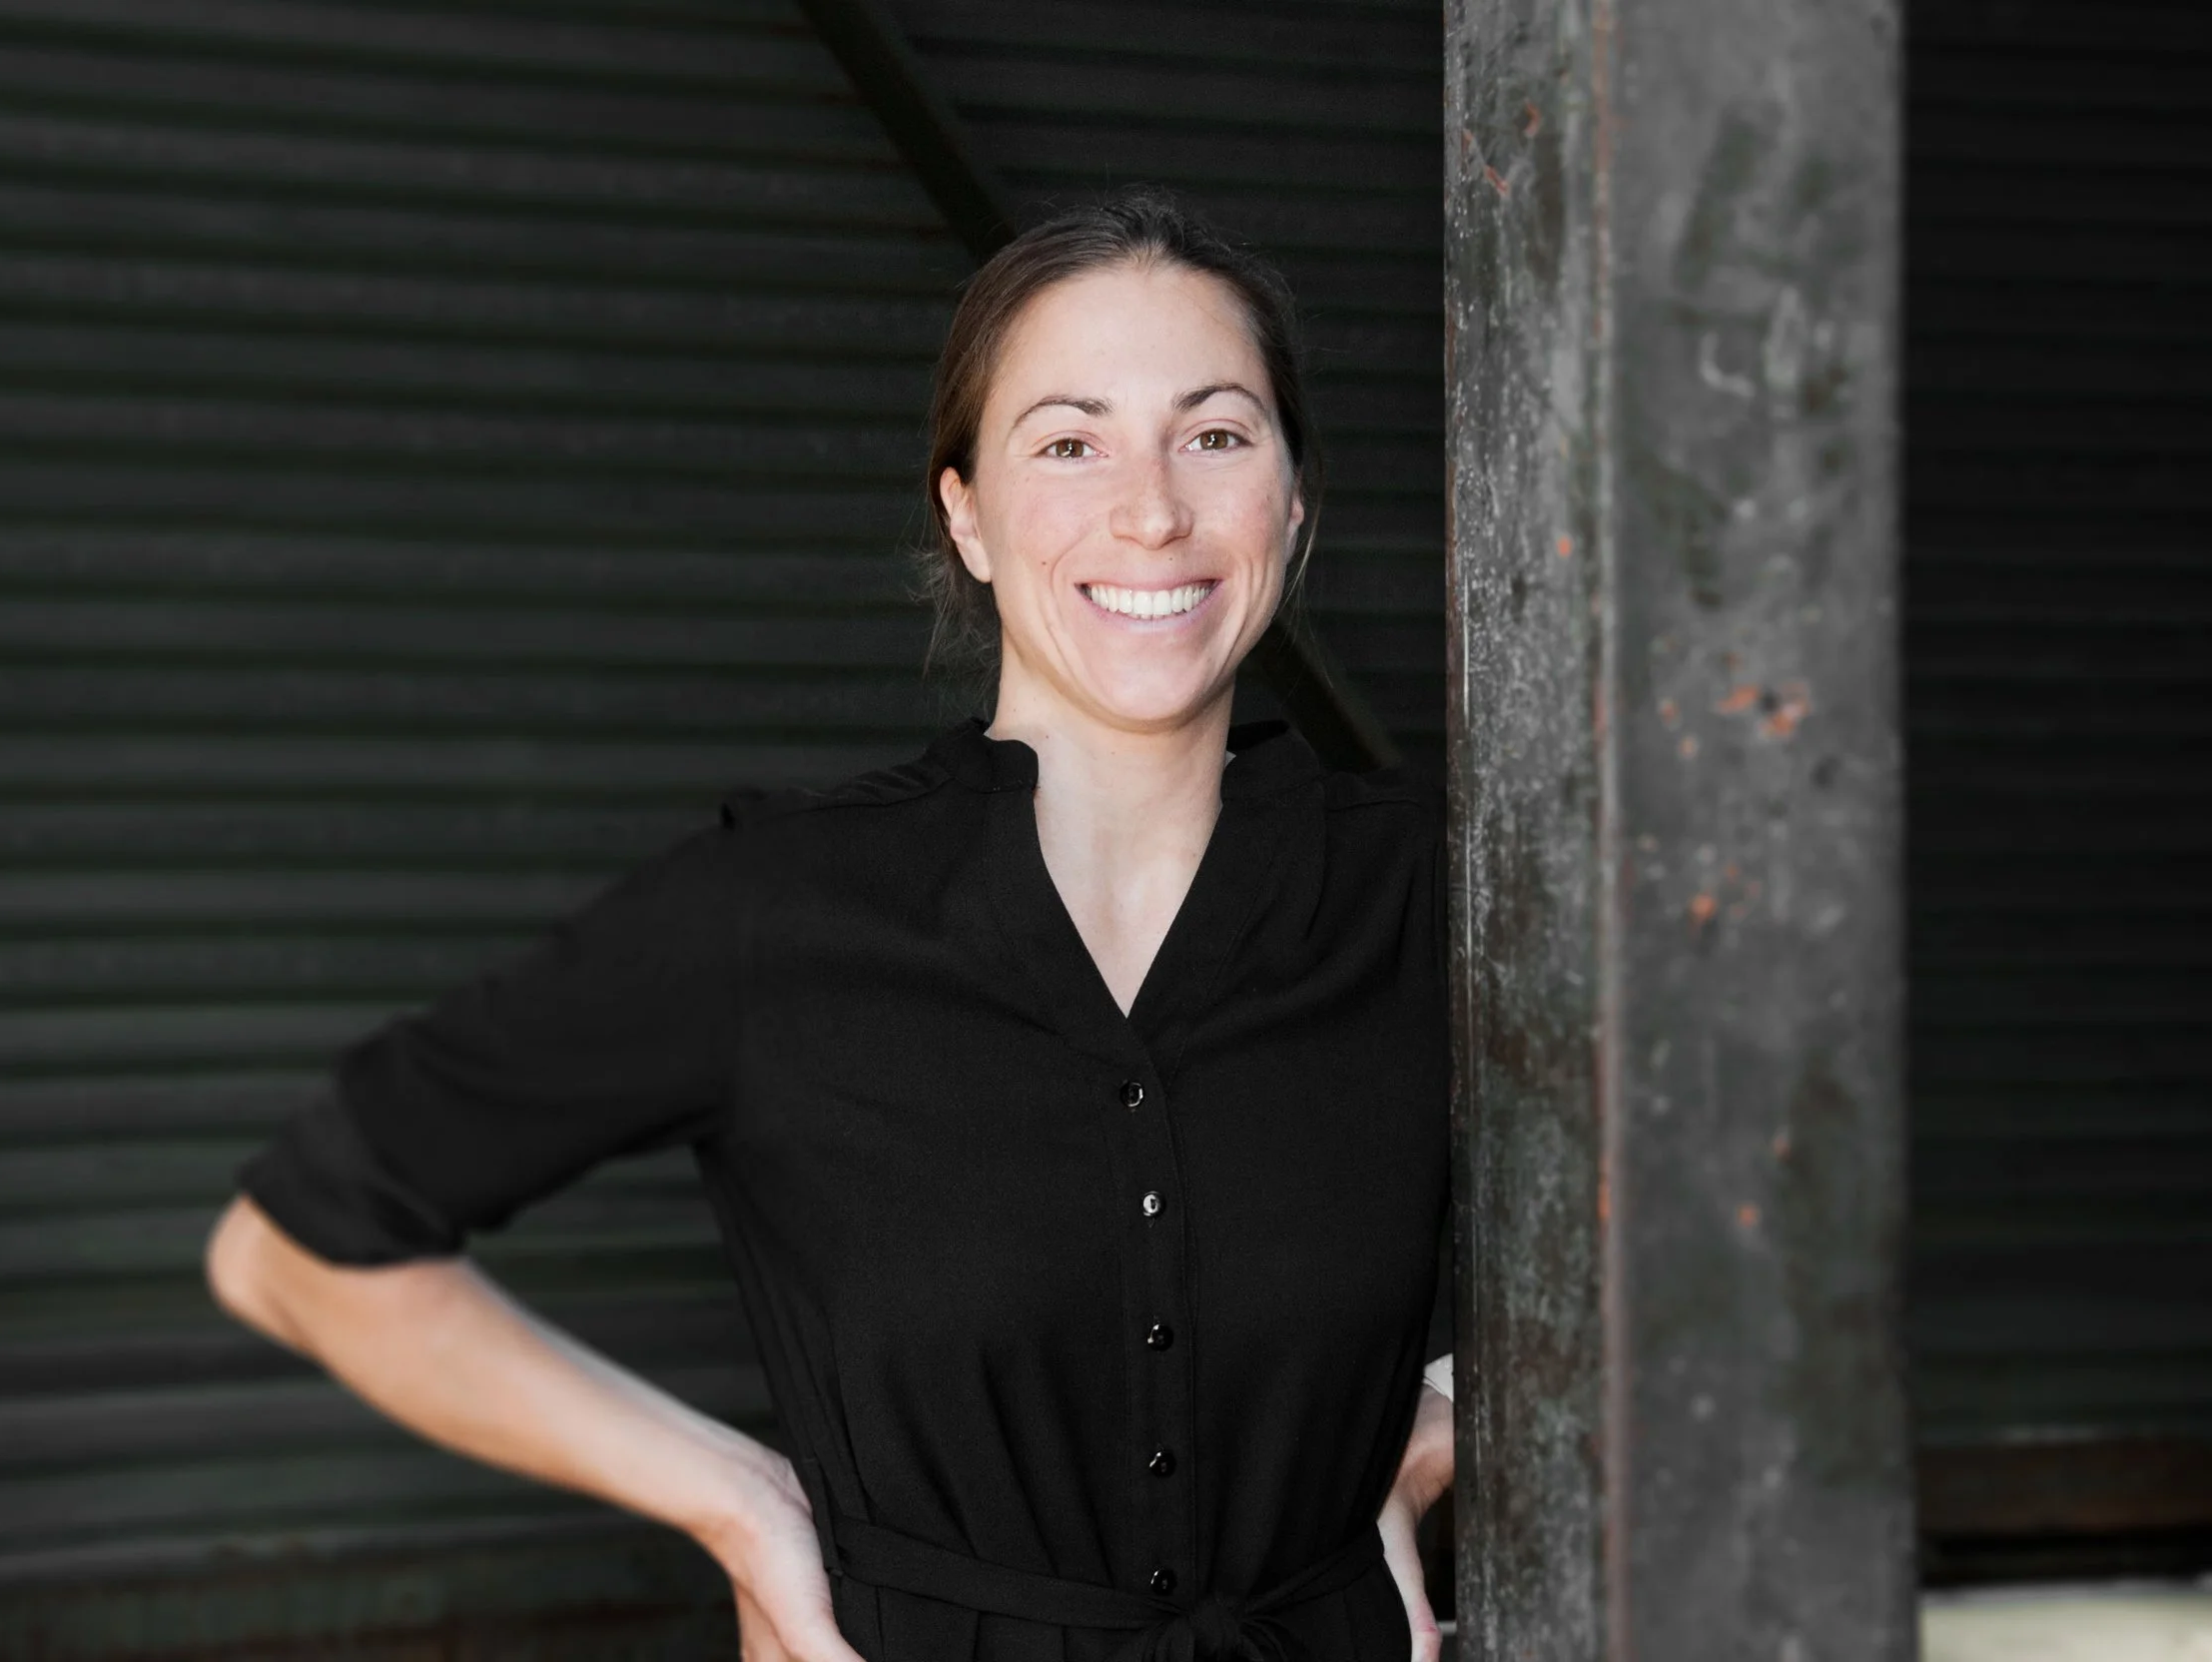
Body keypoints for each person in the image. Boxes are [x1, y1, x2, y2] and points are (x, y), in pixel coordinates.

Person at [206, 192, 1453, 1662]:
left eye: (1217, 434)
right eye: (1069, 443)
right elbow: (294, 1244)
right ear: (966, 515)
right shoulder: (784, 909)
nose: (1152, 510)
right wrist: (730, 1499)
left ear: (1293, 503)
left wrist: (1427, 1427)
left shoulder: (1439, 891)